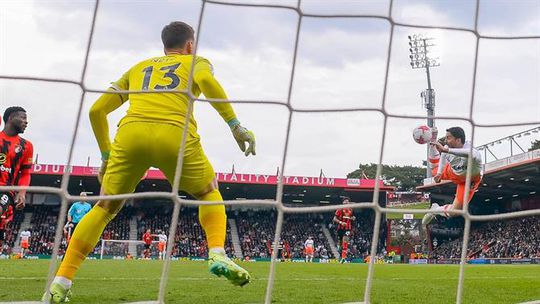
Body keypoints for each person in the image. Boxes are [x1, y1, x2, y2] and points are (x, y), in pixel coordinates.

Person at [45, 21, 255, 302]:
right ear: (190, 45)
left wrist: (106, 156)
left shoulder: (138, 67)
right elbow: (207, 82)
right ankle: (217, 253)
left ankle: (61, 283)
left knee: (105, 206)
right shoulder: (196, 61)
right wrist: (235, 125)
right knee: (208, 191)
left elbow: (97, 110)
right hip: (174, 134)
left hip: (130, 134)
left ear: (164, 46)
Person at [422, 127, 483, 226]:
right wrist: (439, 173)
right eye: (446, 138)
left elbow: (470, 153)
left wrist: (447, 150)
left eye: (449, 138)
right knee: (434, 170)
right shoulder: (447, 149)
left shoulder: (472, 151)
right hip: (454, 172)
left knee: (453, 212)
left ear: (458, 140)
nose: (446, 140)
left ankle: (435, 209)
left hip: (469, 180)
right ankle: (432, 141)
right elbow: (443, 156)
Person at [0, 106, 33, 216]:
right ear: (10, 118)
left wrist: (22, 193)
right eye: (23, 118)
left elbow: (26, 173)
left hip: (6, 190)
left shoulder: (26, 146)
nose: (26, 122)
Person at [333, 197, 355, 263]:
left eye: (347, 202)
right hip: (340, 228)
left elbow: (351, 217)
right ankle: (341, 255)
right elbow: (334, 219)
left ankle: (343, 258)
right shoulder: (339, 209)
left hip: (347, 228)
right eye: (345, 201)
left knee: (345, 242)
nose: (346, 203)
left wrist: (353, 218)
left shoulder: (351, 209)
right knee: (340, 244)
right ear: (343, 202)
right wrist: (341, 222)